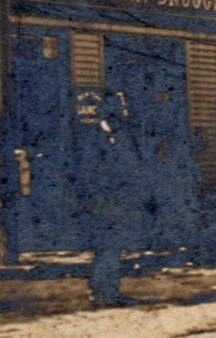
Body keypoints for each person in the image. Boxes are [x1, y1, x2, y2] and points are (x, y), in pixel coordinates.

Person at [82, 88, 137, 307]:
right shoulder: (93, 142)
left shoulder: (123, 139)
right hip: (101, 206)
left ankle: (112, 292)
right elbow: (87, 177)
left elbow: (133, 169)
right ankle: (98, 292)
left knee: (115, 249)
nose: (120, 120)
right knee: (104, 248)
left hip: (121, 203)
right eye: (117, 115)